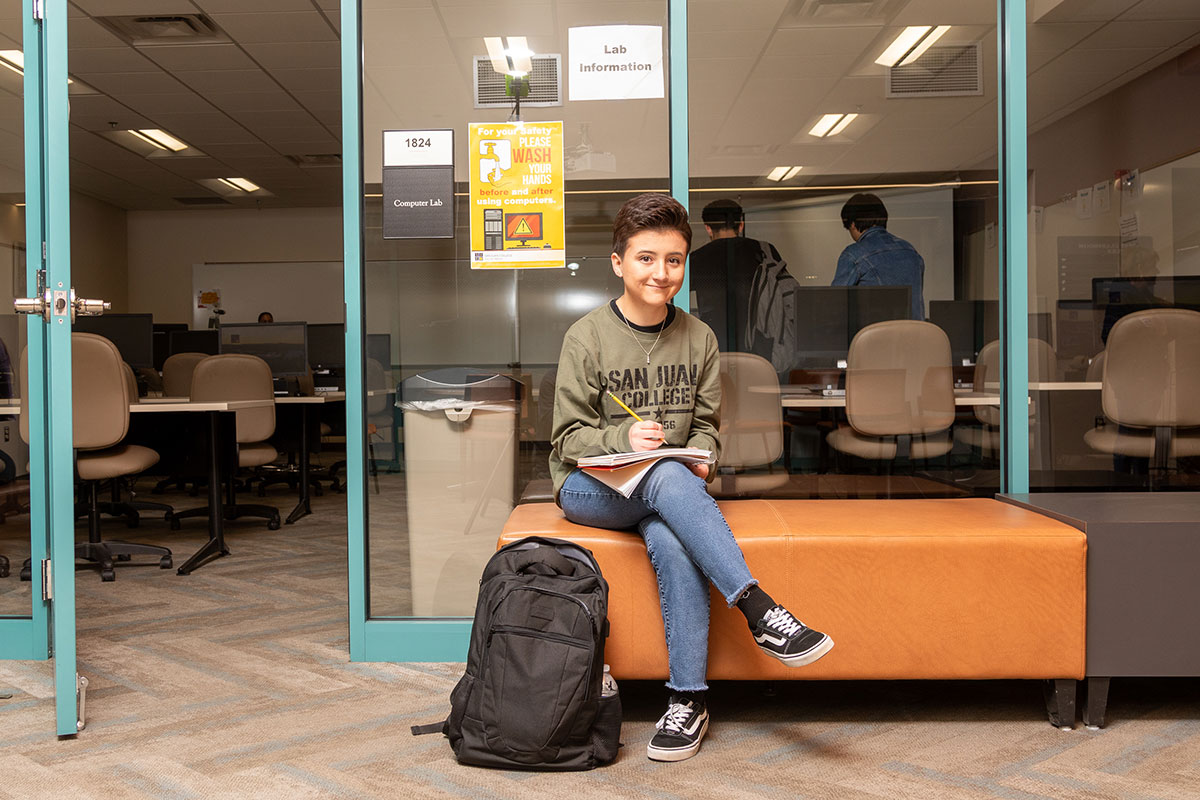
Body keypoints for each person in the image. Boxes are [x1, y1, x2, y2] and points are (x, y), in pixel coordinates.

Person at [550, 193, 833, 763]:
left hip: (669, 489)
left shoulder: (699, 338)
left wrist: (702, 455)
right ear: (618, 263)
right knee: (662, 482)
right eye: (647, 258)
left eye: (674, 260)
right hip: (589, 488)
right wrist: (621, 441)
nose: (662, 273)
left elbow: (706, 427)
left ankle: (687, 701)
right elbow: (564, 440)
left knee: (672, 534)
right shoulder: (586, 337)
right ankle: (759, 610)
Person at [688, 199, 798, 373]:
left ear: (708, 228)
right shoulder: (764, 251)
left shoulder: (697, 258)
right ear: (741, 225)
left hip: (716, 340)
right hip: (761, 340)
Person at [833, 193, 925, 321]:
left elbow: (833, 304)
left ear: (852, 224)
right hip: (914, 336)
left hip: (877, 337)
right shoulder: (911, 251)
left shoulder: (854, 254)